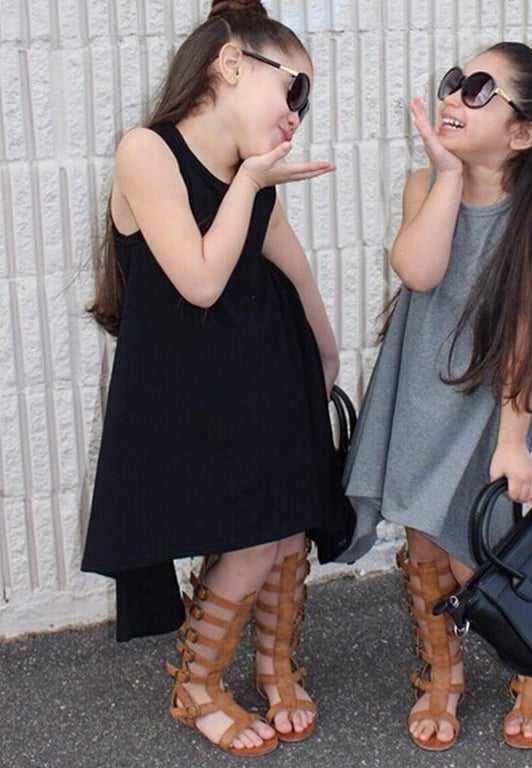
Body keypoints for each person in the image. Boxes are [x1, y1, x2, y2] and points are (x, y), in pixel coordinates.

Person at [81, 0, 339, 757]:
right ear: (231, 65)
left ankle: (275, 665)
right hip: (191, 384)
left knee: (288, 524)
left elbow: (293, 268)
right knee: (251, 540)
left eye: (305, 103)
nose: (296, 114)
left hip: (269, 364)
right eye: (292, 89)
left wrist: (325, 352)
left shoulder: (249, 175)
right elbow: (198, 280)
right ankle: (197, 683)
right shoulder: (148, 151)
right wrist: (250, 182)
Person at [338, 39, 532, 751]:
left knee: (480, 544)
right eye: (456, 81)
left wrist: (513, 439)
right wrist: (447, 174)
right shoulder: (426, 185)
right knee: (423, 537)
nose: (454, 96)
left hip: (488, 400)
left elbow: (526, 336)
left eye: (478, 90)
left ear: (523, 134)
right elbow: (418, 272)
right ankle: (442, 672)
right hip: (419, 388)